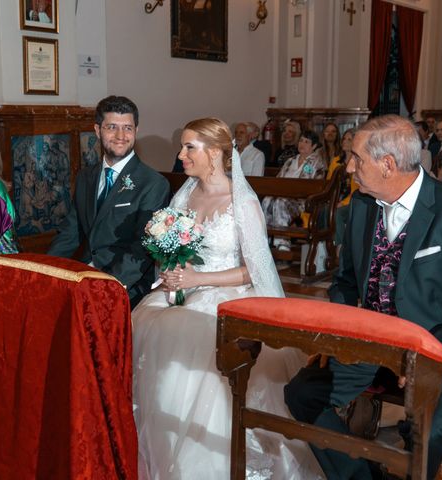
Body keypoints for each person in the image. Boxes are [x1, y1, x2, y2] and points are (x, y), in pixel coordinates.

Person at [284, 115, 442, 480]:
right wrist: (335, 334)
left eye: (356, 158)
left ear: (387, 164)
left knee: (431, 433)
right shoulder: (360, 207)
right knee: (301, 395)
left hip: (437, 351)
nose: (349, 166)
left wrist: (430, 356)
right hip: (370, 344)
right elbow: (345, 283)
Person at [132, 118, 322, 479]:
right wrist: (172, 270)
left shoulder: (242, 202)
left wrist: (197, 278)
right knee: (151, 328)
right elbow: (173, 248)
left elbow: (254, 270)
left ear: (215, 153)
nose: (181, 154)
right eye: (182, 147)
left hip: (227, 295)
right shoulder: (185, 193)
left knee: (195, 341)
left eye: (189, 147)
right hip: (183, 290)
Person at [48, 95, 170, 308]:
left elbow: (142, 249)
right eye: (112, 127)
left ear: (136, 131)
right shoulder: (86, 177)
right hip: (84, 274)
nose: (121, 136)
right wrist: (44, 269)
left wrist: (105, 287)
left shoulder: (153, 183)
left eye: (128, 128)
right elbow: (71, 232)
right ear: (97, 130)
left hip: (126, 286)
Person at [261, 129, 326, 250]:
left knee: (280, 202)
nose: (302, 144)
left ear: (314, 146)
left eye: (307, 142)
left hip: (302, 201)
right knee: (267, 200)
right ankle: (266, 240)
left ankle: (282, 242)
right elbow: (278, 179)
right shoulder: (290, 161)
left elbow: (313, 185)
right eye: (301, 140)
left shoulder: (316, 162)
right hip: (283, 195)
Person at [326, 128, 358, 246]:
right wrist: (333, 201)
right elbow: (329, 184)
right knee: (323, 211)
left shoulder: (358, 162)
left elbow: (358, 190)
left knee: (337, 213)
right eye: (344, 139)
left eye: (349, 139)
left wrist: (343, 203)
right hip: (334, 199)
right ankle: (327, 244)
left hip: (352, 201)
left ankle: (340, 247)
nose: (345, 141)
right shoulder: (335, 161)